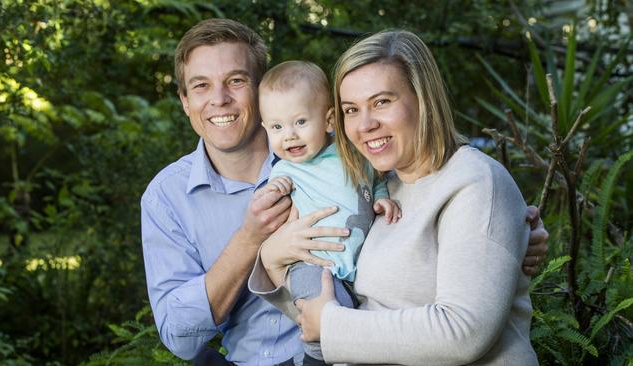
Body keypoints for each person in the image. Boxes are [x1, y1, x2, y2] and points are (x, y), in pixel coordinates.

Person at [141, 18, 547, 365]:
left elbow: (441, 189)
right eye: (200, 86)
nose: (219, 99)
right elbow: (185, 337)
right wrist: (262, 250)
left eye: (236, 80)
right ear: (184, 100)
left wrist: (510, 231)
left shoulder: (353, 163)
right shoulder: (167, 197)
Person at [250, 30, 540, 365]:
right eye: (351, 109)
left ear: (423, 97)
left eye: (382, 102)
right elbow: (326, 320)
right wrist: (272, 259)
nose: (366, 124)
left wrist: (332, 326)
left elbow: (465, 332)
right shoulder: (379, 189)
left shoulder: (475, 182)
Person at [255, 60, 401, 364]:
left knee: (354, 321)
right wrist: (274, 189)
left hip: (358, 269)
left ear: (329, 120)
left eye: (300, 122)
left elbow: (373, 182)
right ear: (265, 129)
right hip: (313, 265)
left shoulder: (352, 154)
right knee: (321, 321)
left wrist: (382, 198)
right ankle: (314, 358)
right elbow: (267, 205)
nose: (289, 136)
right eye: (277, 127)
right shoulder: (285, 171)